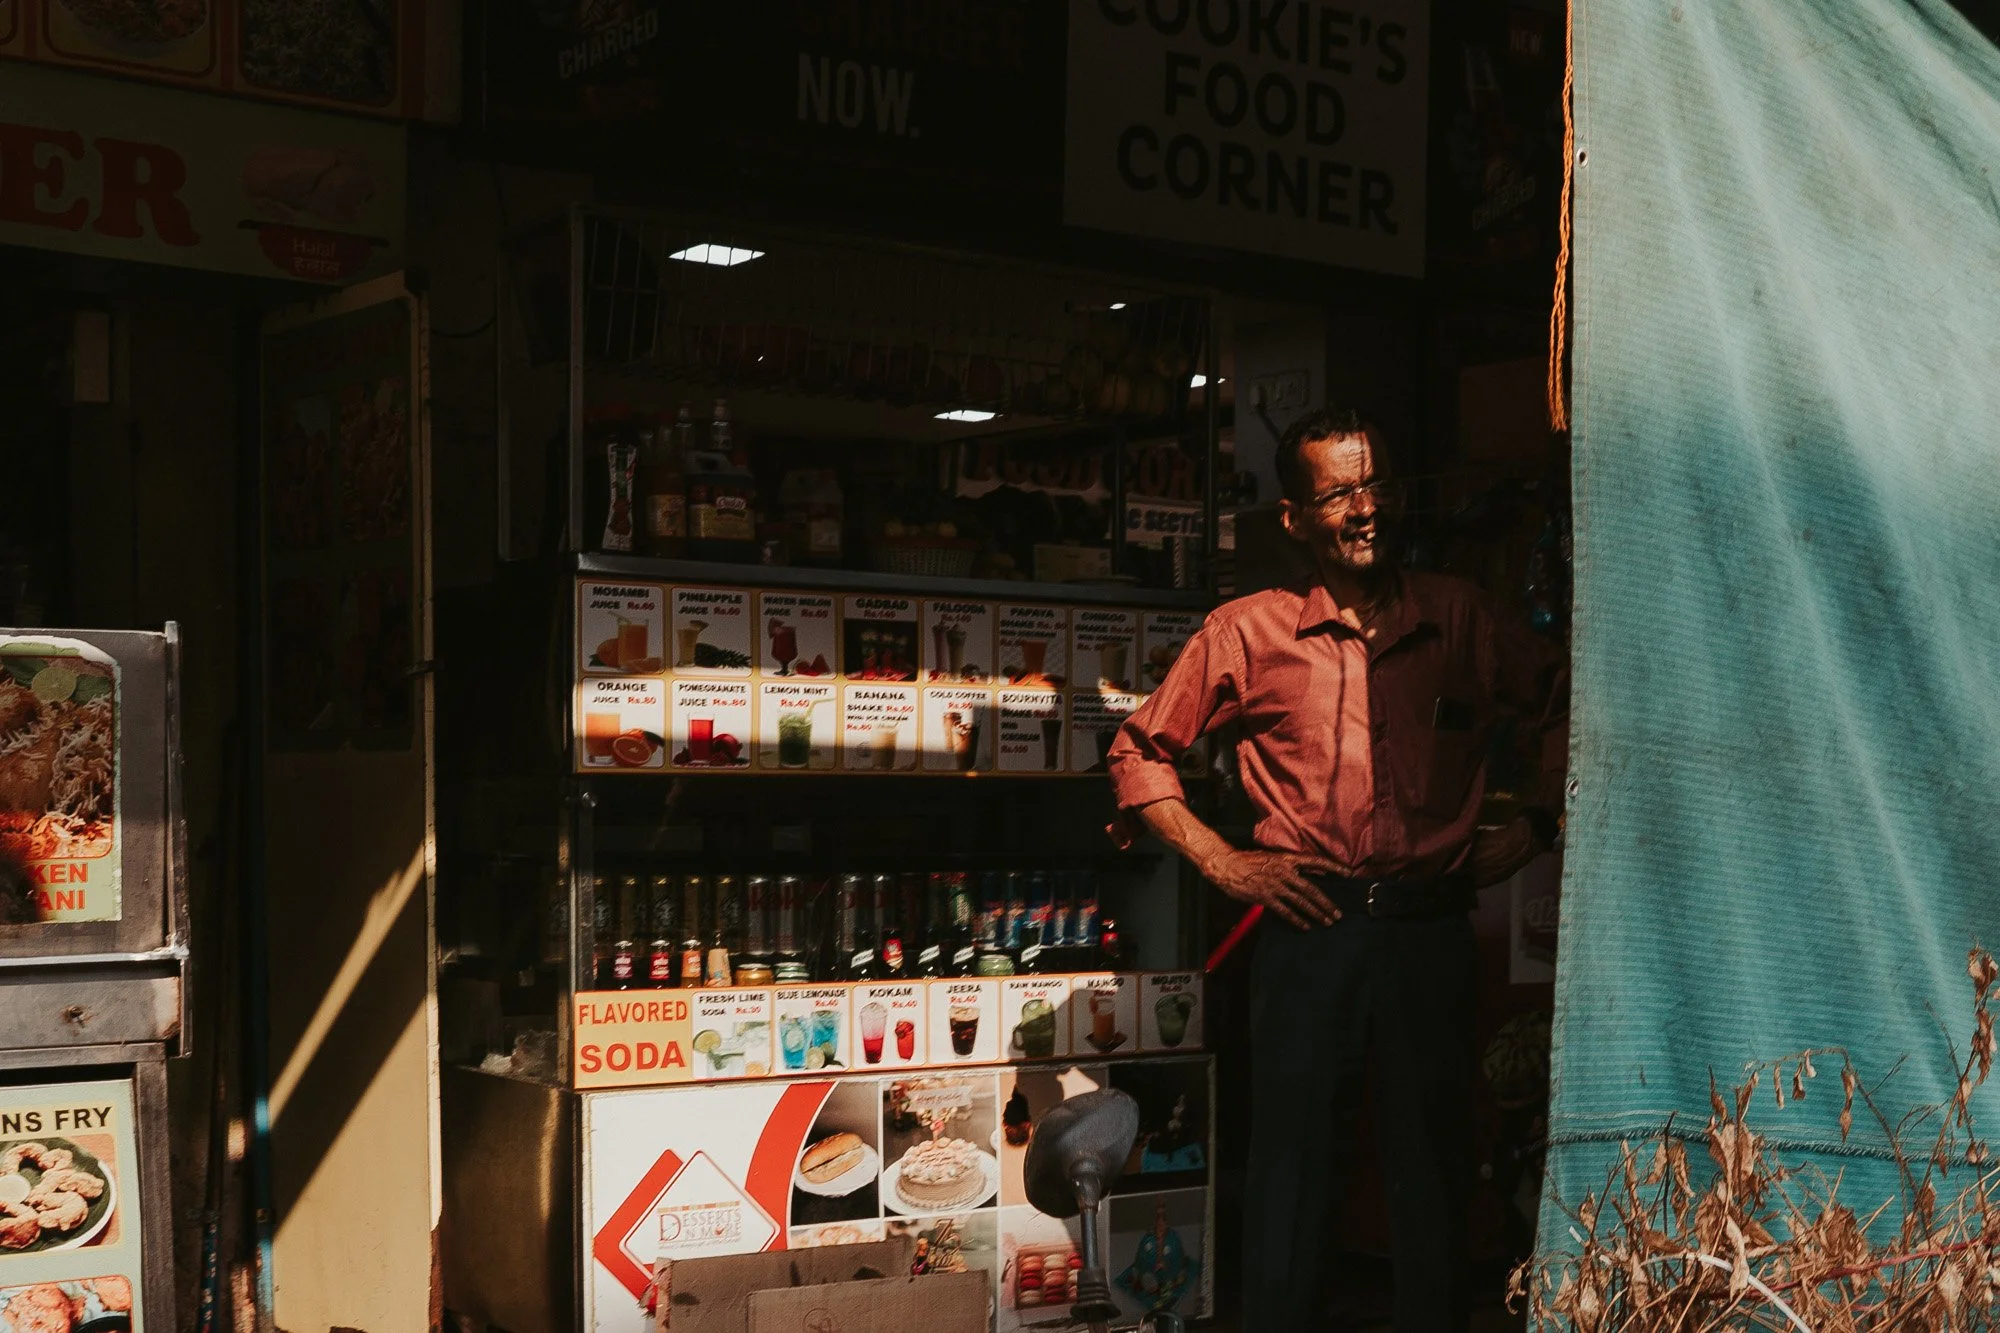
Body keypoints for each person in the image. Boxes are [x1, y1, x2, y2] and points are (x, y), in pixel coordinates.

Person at [1106, 407, 1564, 1331]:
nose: (1367, 509)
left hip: (1433, 928)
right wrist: (1223, 859)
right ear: (1296, 519)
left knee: (1437, 1177)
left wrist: (1544, 821)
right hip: (1309, 928)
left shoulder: (1461, 616)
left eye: (1379, 486)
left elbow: (1566, 696)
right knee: (1294, 1179)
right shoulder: (1248, 631)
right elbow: (1140, 749)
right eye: (1341, 492)